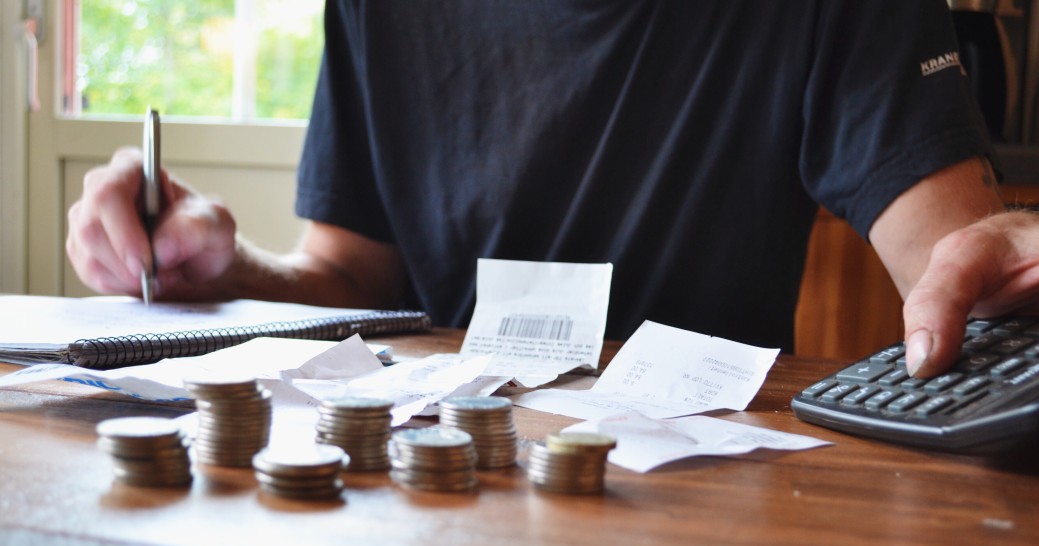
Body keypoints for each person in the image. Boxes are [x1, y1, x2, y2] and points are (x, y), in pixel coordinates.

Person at [66, 1, 1039, 380]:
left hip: (710, 528)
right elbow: (350, 272)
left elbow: (963, 281)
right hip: (421, 506)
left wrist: (1009, 267)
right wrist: (218, 270)